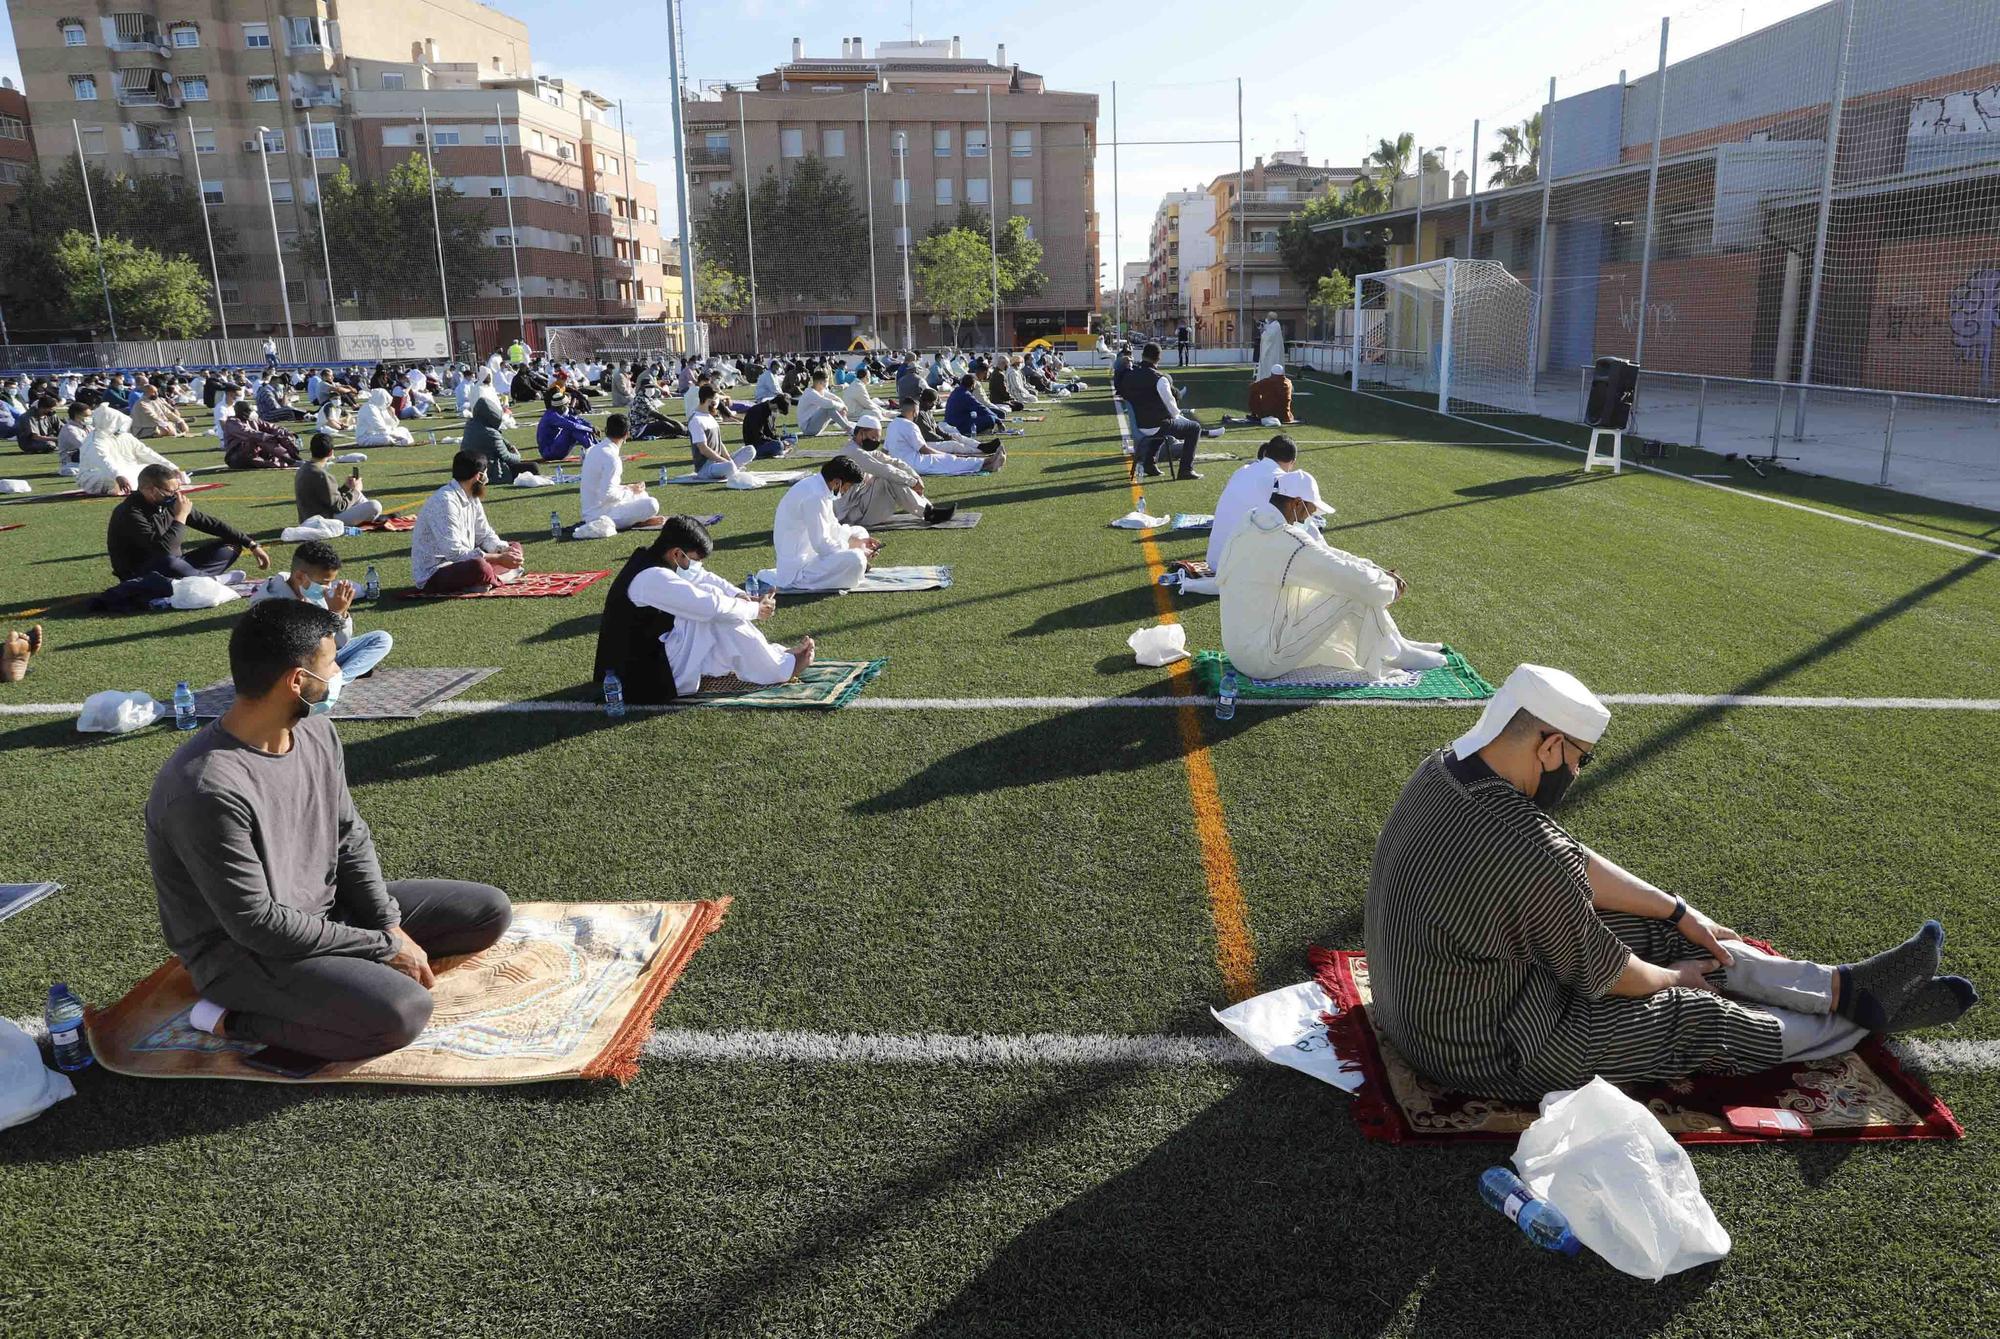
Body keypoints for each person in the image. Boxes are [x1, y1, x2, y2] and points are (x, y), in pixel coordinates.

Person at [1363, 663, 1981, 1103]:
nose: (1576, 773)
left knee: (1658, 930)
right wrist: (1674, 978)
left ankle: (1839, 987)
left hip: (1426, 993)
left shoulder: (1445, 769)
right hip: (1483, 1046)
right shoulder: (1522, 849)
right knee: (1687, 1012)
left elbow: (1570, 862)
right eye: (1580, 759)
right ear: (1549, 745)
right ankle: (1861, 1019)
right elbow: (1621, 976)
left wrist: (1679, 912)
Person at [144, 599, 511, 1064]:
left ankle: (347, 970)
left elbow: (348, 834)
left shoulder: (317, 733)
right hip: (246, 956)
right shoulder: (205, 787)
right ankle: (226, 1018)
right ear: (297, 681)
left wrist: (386, 922)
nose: (338, 673)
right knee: (401, 1012)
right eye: (331, 663)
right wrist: (385, 946)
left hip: (327, 913)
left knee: (487, 912)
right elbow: (259, 926)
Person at [1217, 469, 1445, 680]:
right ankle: (1396, 653)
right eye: (1310, 511)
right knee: (1356, 589)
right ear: (1296, 503)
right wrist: (1390, 585)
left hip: (1241, 649)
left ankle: (1398, 644)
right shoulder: (1287, 542)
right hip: (1263, 658)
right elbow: (1352, 578)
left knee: (1357, 579)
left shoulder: (1252, 520)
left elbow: (1327, 555)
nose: (1310, 518)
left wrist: (1376, 570)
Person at [593, 514, 815, 704]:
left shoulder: (657, 557)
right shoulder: (653, 577)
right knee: (717, 613)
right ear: (677, 554)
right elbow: (711, 607)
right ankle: (779, 670)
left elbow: (701, 576)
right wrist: (754, 610)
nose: (696, 564)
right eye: (694, 559)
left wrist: (737, 594)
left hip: (650, 655)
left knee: (717, 598)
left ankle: (772, 657)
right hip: (641, 679)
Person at [102, 462, 270, 603]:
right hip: (141, 573)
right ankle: (212, 581)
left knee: (232, 544)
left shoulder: (167, 503)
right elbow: (163, 550)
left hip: (176, 564)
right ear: (151, 490)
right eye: (170, 491)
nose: (176, 495)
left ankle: (196, 579)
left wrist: (251, 544)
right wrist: (181, 515)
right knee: (169, 562)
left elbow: (210, 523)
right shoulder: (130, 512)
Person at [247, 538, 394, 680]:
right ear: (299, 576)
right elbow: (302, 650)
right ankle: (329, 680)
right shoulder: (270, 603)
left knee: (381, 638)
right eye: (324, 582)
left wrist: (341, 613)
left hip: (318, 658)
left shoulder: (308, 589)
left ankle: (338, 680)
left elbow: (340, 642)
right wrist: (335, 615)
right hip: (288, 668)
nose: (328, 588)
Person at [409, 451, 526, 594]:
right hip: (436, 572)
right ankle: (493, 578)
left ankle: (486, 580)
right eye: (486, 475)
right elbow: (455, 554)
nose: (487, 481)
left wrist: (503, 550)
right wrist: (499, 558)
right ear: (479, 476)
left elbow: (485, 534)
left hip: (463, 561)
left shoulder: (471, 496)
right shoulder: (445, 501)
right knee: (479, 567)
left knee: (514, 547)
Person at [772, 456, 879, 591]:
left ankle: (852, 564)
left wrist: (857, 541)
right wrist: (856, 549)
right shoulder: (815, 497)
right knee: (856, 559)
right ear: (837, 482)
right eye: (848, 487)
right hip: (799, 571)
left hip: (812, 554)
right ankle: (855, 567)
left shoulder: (819, 487)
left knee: (860, 532)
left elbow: (832, 526)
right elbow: (822, 545)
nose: (846, 491)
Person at [837, 415, 956, 527]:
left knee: (896, 474)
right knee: (889, 478)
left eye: (877, 438)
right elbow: (883, 470)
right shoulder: (853, 452)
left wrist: (915, 477)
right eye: (873, 437)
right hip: (853, 513)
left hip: (862, 503)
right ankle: (929, 513)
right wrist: (912, 482)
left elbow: (894, 462)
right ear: (861, 433)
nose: (875, 441)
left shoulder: (862, 448)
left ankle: (929, 509)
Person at [1126, 342, 1207, 480]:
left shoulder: (1131, 375)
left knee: (1163, 426)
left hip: (1139, 424)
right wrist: (1178, 417)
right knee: (1194, 428)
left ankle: (1149, 464)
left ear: (1143, 355)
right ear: (1158, 358)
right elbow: (1171, 407)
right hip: (1157, 425)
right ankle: (1186, 470)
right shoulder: (1160, 379)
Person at [580, 414, 661, 532]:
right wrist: (629, 490)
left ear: (607, 430)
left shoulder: (593, 449)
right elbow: (607, 495)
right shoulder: (611, 458)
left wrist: (629, 488)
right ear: (626, 434)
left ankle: (639, 519)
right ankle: (640, 522)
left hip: (594, 509)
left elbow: (603, 488)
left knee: (642, 494)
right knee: (652, 504)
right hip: (601, 515)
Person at [79, 403, 181, 495]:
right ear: (109, 422)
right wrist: (118, 476)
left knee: (153, 470)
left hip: (125, 469)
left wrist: (171, 467)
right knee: (113, 478)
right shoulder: (95, 441)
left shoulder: (124, 436)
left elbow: (146, 452)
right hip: (97, 475)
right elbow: (104, 461)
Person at [886, 397, 1000, 476]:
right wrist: (943, 455)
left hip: (904, 462)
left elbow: (885, 450)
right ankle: (986, 463)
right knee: (948, 459)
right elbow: (924, 449)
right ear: (913, 411)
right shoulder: (909, 425)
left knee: (949, 459)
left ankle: (985, 462)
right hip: (915, 463)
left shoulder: (892, 424)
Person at [296, 433, 384, 526]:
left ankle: (370, 517)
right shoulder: (322, 475)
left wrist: (346, 487)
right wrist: (356, 490)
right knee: (375, 505)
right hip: (324, 521)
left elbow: (328, 499)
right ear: (330, 452)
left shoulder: (303, 468)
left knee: (359, 497)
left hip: (307, 519)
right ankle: (371, 517)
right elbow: (339, 507)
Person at [461, 393, 535, 485]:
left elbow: (500, 440)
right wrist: (517, 455)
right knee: (533, 467)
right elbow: (507, 457)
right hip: (490, 474)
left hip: (469, 472)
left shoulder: (470, 426)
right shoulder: (491, 434)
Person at [687, 385, 753, 480]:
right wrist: (725, 462)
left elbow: (719, 443)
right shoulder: (696, 420)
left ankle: (731, 468)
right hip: (705, 468)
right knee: (729, 466)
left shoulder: (709, 416)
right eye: (715, 399)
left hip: (719, 462)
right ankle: (732, 469)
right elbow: (703, 449)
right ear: (708, 400)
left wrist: (728, 460)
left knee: (750, 450)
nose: (717, 403)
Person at [222, 400, 302, 470]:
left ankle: (294, 457)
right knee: (261, 439)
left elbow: (271, 427)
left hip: (253, 453)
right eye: (249, 411)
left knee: (280, 436)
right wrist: (270, 436)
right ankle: (291, 461)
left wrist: (285, 432)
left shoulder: (253, 421)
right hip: (236, 457)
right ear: (242, 412)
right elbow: (249, 434)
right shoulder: (232, 423)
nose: (252, 412)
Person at [535, 391, 596, 462]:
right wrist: (590, 429)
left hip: (552, 448)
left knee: (579, 426)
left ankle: (595, 447)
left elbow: (576, 419)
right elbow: (572, 425)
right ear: (562, 406)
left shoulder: (556, 412)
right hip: (549, 452)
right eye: (567, 404)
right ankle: (594, 450)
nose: (568, 406)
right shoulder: (552, 416)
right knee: (572, 429)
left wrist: (591, 426)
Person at [944, 374, 1006, 438]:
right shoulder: (966, 395)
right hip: (959, 425)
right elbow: (981, 408)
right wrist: (998, 421)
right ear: (972, 385)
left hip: (951, 422)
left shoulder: (955, 392)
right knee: (990, 419)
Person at [795, 371, 854, 439]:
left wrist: (843, 407)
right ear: (820, 383)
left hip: (814, 425)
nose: (827, 384)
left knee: (833, 406)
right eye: (826, 382)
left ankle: (847, 426)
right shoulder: (810, 393)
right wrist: (842, 407)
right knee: (828, 408)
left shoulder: (820, 390)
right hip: (808, 429)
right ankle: (848, 429)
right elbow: (828, 404)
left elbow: (836, 398)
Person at [740, 394, 792, 458]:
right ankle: (780, 450)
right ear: (775, 405)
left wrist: (779, 440)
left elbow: (771, 433)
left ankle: (780, 449)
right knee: (779, 445)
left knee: (792, 438)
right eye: (779, 411)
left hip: (765, 442)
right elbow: (758, 436)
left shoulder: (770, 412)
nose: (778, 413)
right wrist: (778, 442)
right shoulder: (757, 412)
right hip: (756, 445)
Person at [54, 401, 90, 471]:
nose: (89, 418)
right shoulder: (70, 429)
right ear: (77, 415)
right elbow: (84, 445)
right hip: (71, 460)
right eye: (86, 416)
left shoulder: (86, 426)